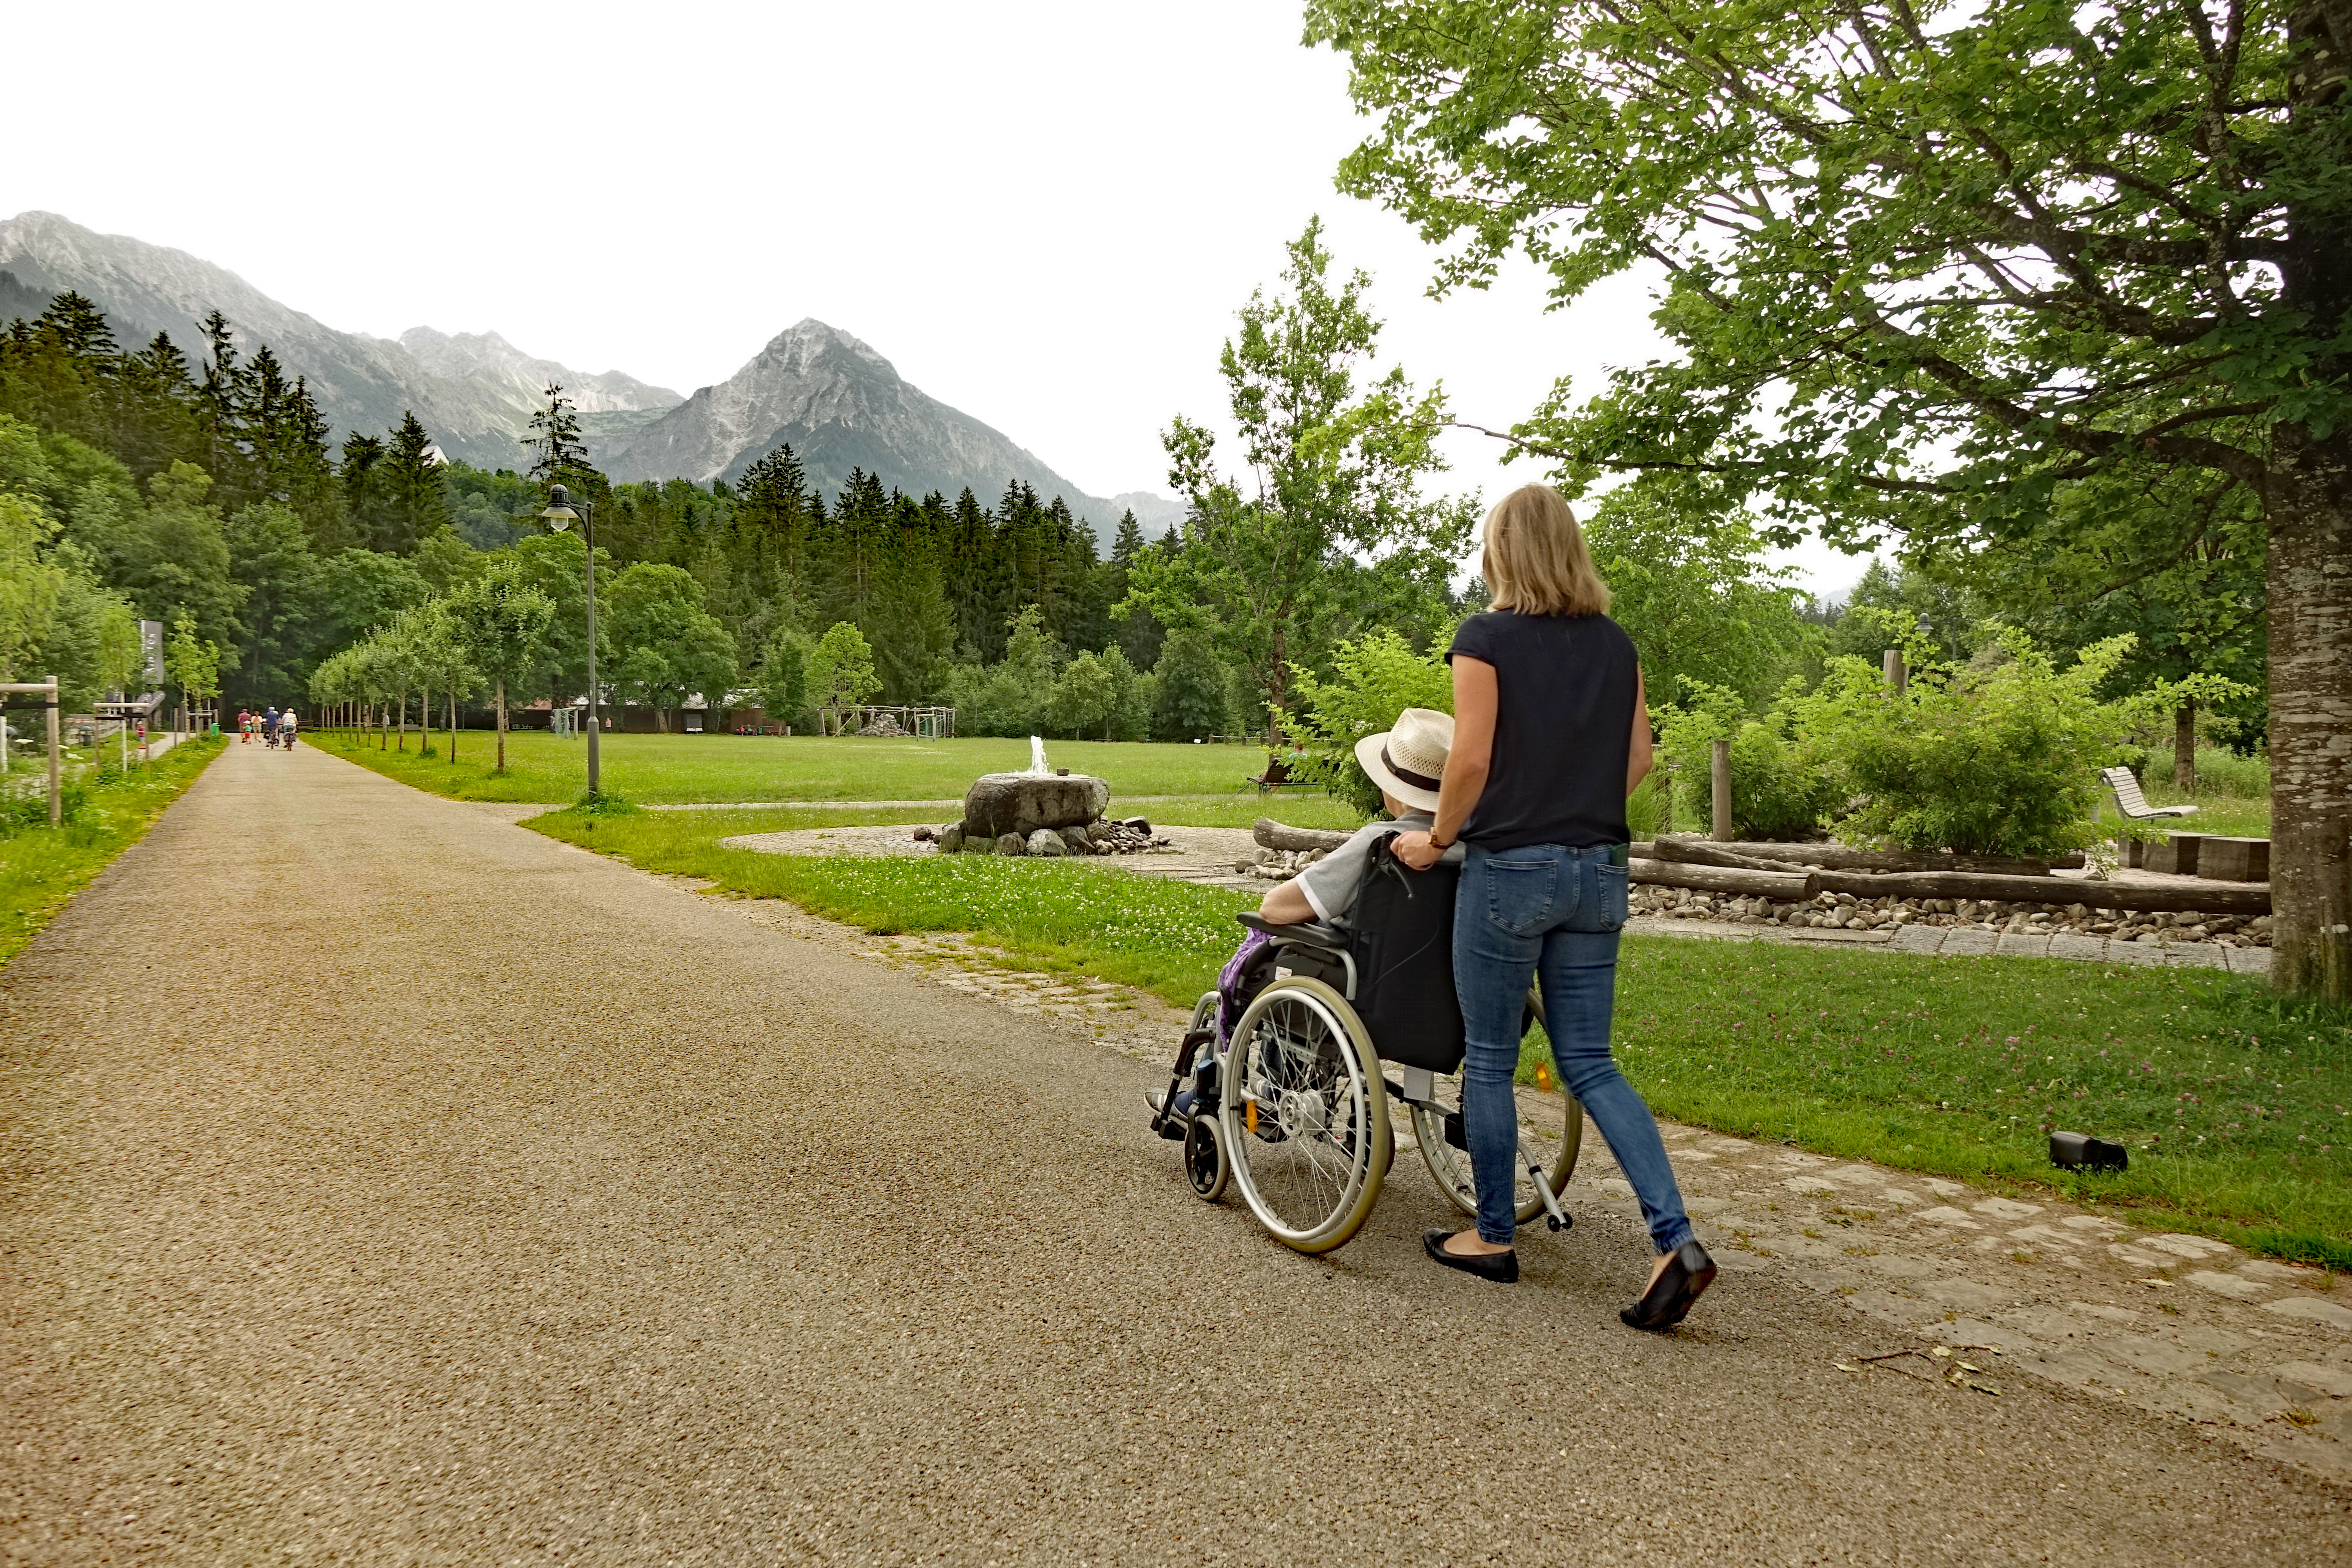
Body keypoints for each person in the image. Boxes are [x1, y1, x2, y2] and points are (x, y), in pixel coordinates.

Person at [1396, 483, 1714, 1329]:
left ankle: (1493, 1236)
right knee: (1591, 1062)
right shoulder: (1616, 645)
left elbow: (1467, 762)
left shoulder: (1486, 637)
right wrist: (1579, 814)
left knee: (1493, 1057)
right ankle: (1673, 1240)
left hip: (1509, 873)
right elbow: (1640, 756)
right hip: (1600, 871)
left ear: (1503, 551)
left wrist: (1438, 837)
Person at [1152, 708, 1464, 1127]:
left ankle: (1211, 1092)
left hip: (1367, 994)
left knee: (1267, 964)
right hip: (1441, 1002)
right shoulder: (1472, 850)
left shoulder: (1381, 843)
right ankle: (1276, 1086)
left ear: (1394, 792)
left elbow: (1276, 908)